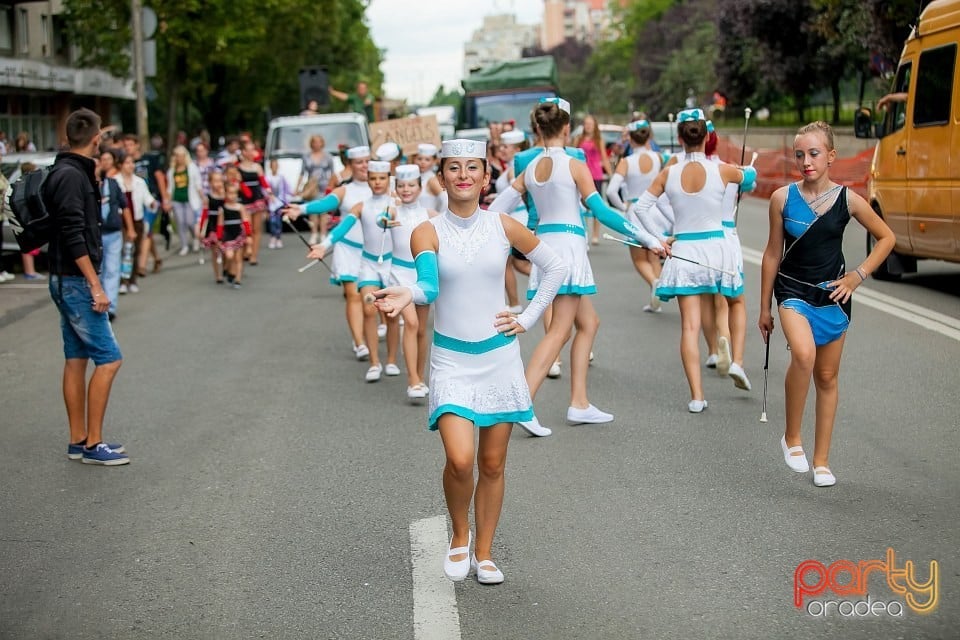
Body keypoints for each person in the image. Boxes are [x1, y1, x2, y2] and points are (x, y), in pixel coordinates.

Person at [371, 138, 567, 585]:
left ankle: (485, 552)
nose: (463, 175)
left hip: (499, 358)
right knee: (461, 460)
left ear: (483, 176)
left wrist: (528, 316)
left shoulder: (504, 225)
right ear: (439, 178)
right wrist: (407, 294)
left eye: (472, 167)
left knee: (494, 463)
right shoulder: (426, 230)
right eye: (454, 168)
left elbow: (554, 267)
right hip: (452, 361)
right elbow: (428, 286)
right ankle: (460, 535)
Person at [489, 98, 664, 435]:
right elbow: (603, 213)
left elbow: (498, 207)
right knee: (559, 332)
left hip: (544, 247)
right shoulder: (574, 165)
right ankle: (520, 405)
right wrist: (648, 238)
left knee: (589, 323)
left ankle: (579, 403)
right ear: (567, 128)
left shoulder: (529, 169)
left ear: (538, 129)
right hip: (567, 250)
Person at [759, 121, 895, 487]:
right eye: (799, 154)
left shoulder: (848, 200)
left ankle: (822, 461)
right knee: (803, 354)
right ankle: (791, 437)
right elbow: (772, 254)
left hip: (833, 296)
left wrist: (857, 276)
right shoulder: (782, 199)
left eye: (814, 154)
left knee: (827, 377)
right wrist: (764, 308)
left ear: (832, 156)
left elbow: (886, 237)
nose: (805, 161)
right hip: (792, 292)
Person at [632, 108, 754, 413]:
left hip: (684, 251)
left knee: (689, 326)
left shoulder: (668, 172)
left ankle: (697, 396)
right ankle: (737, 360)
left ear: (680, 137)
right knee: (736, 302)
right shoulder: (723, 170)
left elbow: (640, 209)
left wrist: (658, 239)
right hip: (717, 249)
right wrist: (745, 173)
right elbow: (749, 179)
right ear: (707, 135)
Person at [43, 108, 128, 465]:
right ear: (95, 139)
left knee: (76, 359)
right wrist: (96, 286)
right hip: (77, 281)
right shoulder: (72, 176)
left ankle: (78, 439)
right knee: (109, 359)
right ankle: (94, 444)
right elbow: (74, 235)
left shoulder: (62, 171)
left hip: (64, 279)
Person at [305, 160, 399, 382]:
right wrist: (324, 245)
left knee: (392, 314)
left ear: (388, 179)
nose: (377, 183)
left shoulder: (396, 203)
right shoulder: (361, 205)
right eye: (373, 179)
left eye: (381, 178)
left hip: (391, 263)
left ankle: (392, 360)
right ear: (368, 181)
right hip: (368, 263)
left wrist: (391, 217)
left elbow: (399, 217)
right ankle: (374, 362)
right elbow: (342, 228)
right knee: (369, 309)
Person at [284, 146, 372, 360]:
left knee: (369, 299)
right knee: (352, 295)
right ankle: (359, 342)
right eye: (359, 162)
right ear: (350, 165)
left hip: (373, 251)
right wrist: (300, 209)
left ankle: (366, 333)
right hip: (348, 247)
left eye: (367, 161)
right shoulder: (345, 190)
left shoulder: (382, 189)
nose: (364, 166)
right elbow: (323, 204)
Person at [383, 164, 437, 400]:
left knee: (422, 329)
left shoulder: (431, 215)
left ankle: (420, 376)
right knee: (412, 324)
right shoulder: (393, 211)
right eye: (401, 186)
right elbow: (382, 219)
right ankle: (412, 380)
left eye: (411, 185)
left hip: (423, 274)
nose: (406, 190)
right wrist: (382, 220)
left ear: (419, 187)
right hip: (399, 275)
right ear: (396, 188)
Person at [606, 120, 665, 312]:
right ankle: (656, 298)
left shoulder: (626, 162)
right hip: (655, 209)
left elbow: (611, 191)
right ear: (649, 137)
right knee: (654, 257)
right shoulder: (658, 158)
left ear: (630, 139)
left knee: (639, 259)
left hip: (636, 211)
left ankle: (655, 283)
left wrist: (623, 207)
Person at [97, 149, 133, 320]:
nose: (104, 163)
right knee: (100, 270)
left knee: (112, 269)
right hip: (97, 234)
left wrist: (130, 228)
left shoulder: (113, 184)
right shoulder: (90, 186)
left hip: (113, 231)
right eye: (101, 159)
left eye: (107, 159)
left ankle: (110, 307)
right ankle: (99, 301)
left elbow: (124, 206)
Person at [117, 152, 159, 291]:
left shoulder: (139, 181)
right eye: (127, 163)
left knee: (135, 250)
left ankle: (133, 280)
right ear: (121, 165)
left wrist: (152, 203)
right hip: (121, 221)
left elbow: (147, 198)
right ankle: (123, 281)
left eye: (132, 163)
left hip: (137, 220)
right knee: (125, 250)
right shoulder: (115, 181)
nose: (131, 166)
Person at [573, 114, 613, 245]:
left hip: (595, 175)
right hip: (581, 174)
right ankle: (583, 231)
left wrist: (611, 174)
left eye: (590, 124)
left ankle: (595, 235)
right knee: (580, 204)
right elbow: (572, 154)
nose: (588, 126)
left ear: (595, 125)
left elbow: (604, 158)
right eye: (586, 123)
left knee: (596, 205)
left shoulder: (598, 140)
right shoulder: (579, 139)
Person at [164, 145, 203, 256]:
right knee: (180, 222)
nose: (179, 158)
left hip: (190, 199)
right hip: (177, 199)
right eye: (177, 156)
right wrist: (167, 201)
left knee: (191, 222)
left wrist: (202, 197)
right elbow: (170, 188)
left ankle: (195, 238)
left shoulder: (191, 168)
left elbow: (197, 184)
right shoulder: (172, 171)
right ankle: (184, 245)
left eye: (181, 156)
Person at [300, 135, 335, 244]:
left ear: (322, 143)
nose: (317, 144)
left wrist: (332, 185)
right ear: (312, 144)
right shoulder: (306, 157)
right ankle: (314, 233)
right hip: (312, 187)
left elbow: (332, 172)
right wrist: (298, 188)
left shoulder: (328, 156)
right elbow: (302, 173)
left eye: (319, 142)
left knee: (324, 210)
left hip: (324, 186)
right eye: (315, 142)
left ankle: (323, 233)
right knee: (313, 211)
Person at [218, 178, 251, 289]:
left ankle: (238, 279)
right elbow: (220, 224)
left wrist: (248, 235)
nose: (232, 196)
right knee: (229, 255)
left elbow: (245, 221)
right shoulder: (223, 209)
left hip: (238, 234)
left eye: (234, 193)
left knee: (238, 257)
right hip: (228, 235)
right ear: (226, 194)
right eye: (230, 193)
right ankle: (228, 269)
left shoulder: (240, 207)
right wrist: (219, 238)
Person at [199, 170, 226, 283]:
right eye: (215, 181)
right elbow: (204, 214)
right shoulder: (208, 198)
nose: (218, 183)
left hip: (225, 225)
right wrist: (201, 229)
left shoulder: (226, 196)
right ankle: (217, 274)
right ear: (210, 183)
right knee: (215, 251)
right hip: (213, 225)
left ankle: (226, 268)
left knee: (225, 249)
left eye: (220, 180)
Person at [266, 158, 293, 249]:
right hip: (271, 202)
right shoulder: (268, 178)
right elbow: (265, 189)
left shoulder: (281, 177)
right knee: (272, 221)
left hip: (279, 202)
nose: (274, 168)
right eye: (273, 166)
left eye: (276, 166)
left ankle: (278, 238)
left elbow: (287, 189)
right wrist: (268, 196)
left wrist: (290, 195)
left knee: (279, 221)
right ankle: (272, 237)